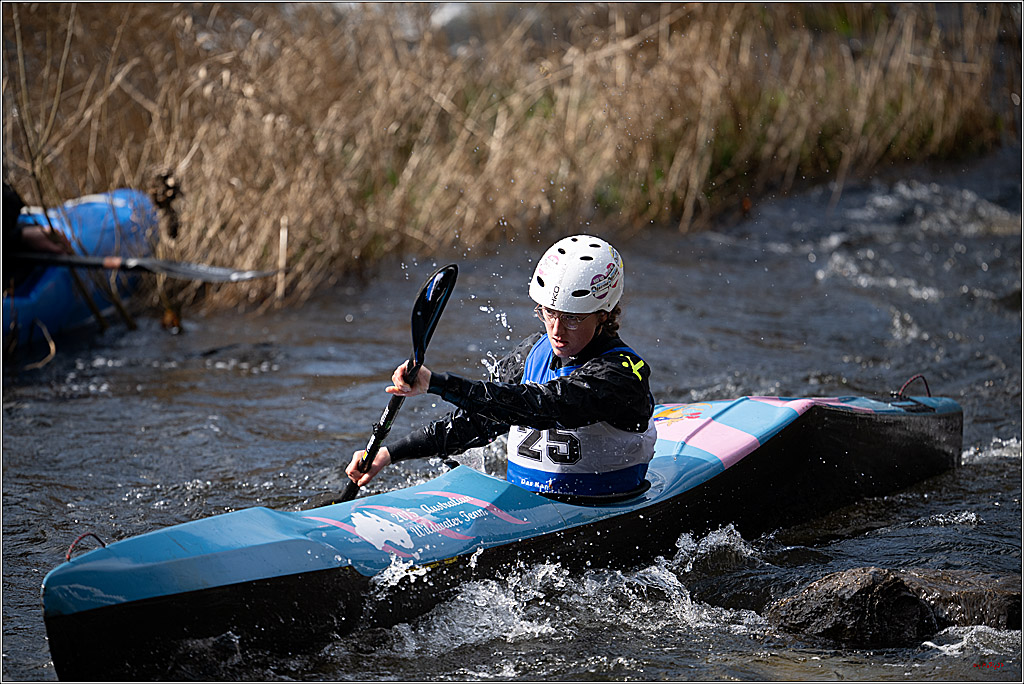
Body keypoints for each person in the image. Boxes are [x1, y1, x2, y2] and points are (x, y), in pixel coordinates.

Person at [346, 234, 657, 502]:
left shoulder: (620, 375)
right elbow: (480, 420)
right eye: (549, 313)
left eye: (572, 318)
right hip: (524, 507)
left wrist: (438, 384)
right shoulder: (531, 354)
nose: (556, 330)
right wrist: (390, 454)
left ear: (604, 314)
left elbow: (539, 407)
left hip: (604, 507)